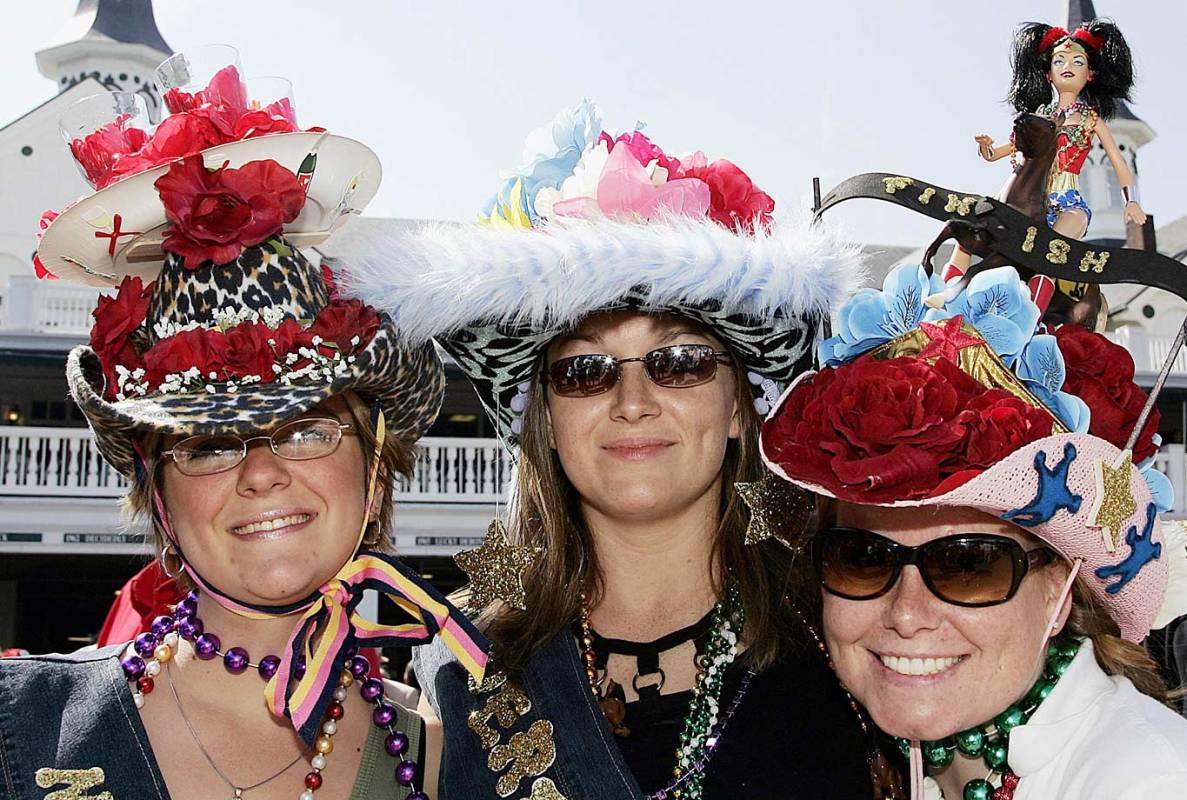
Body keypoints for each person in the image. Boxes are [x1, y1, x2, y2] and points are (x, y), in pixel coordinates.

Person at [342, 99, 891, 799]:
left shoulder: (851, 636)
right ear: (546, 417)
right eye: (584, 371)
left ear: (737, 407)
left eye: (681, 362)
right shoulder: (465, 673)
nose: (632, 402)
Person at [0, 56, 487, 800]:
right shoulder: (23, 727)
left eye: (304, 429)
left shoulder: (451, 757)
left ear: (375, 461)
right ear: (155, 487)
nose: (260, 473)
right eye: (207, 444)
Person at [760, 257, 1187, 798]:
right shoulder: (863, 758)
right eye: (862, 558)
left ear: (1059, 595)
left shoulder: (1155, 782)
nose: (907, 615)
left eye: (969, 564)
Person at [943, 19, 1145, 318]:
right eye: (1059, 60)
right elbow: (1002, 152)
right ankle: (947, 297)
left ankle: (1030, 318)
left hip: (1069, 202)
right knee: (972, 230)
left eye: (1078, 61)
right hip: (1031, 197)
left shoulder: (1091, 120)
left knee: (1049, 251)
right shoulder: (1040, 117)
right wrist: (986, 148)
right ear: (1049, 74)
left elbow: (1119, 163)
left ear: (1089, 74)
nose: (1068, 66)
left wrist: (1131, 200)